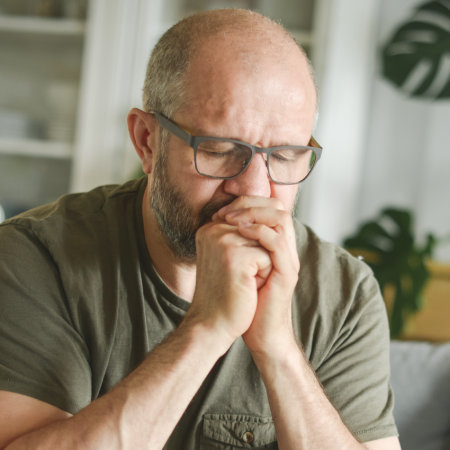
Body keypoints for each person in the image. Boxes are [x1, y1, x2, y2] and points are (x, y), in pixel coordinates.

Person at [0, 9, 401, 450]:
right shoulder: (33, 258)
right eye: (219, 150)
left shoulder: (343, 293)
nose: (253, 188)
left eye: (285, 157)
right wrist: (207, 328)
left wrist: (280, 351)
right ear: (147, 141)